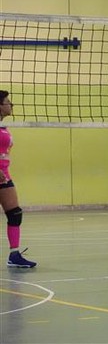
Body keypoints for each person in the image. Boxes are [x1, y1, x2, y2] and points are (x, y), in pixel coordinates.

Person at [0, 91, 36, 268]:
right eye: (7, 102)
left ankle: (14, 255)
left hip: (4, 175)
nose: (11, 105)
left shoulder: (3, 127)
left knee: (15, 213)